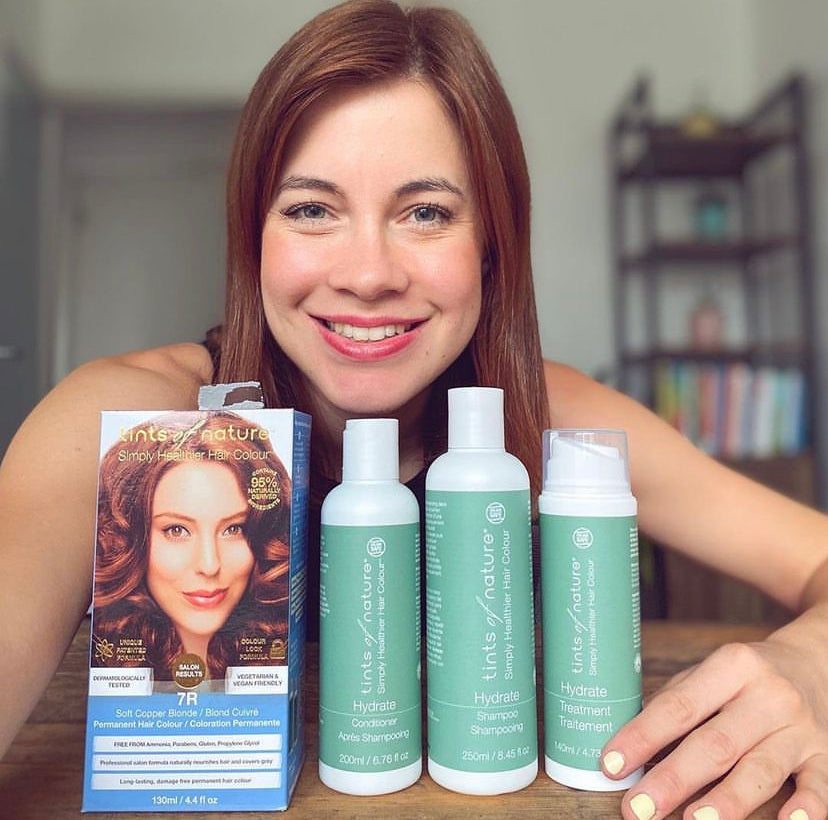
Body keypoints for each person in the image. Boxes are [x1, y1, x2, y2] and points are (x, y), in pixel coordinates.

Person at [0, 1, 826, 818]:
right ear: (252, 236)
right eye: (311, 209)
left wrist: (810, 661)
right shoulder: (123, 423)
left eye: (426, 212)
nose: (368, 274)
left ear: (492, 243)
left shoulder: (552, 417)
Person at [90, 411, 291, 681]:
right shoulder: (112, 671)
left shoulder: (277, 664)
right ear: (128, 541)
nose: (209, 565)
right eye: (176, 530)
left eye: (234, 529)